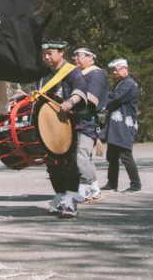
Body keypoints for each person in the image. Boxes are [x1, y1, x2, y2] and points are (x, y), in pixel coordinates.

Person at [35, 38, 88, 219]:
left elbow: (80, 90)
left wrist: (71, 101)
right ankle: (59, 195)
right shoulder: (43, 73)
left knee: (69, 162)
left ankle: (71, 199)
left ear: (61, 53)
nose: (47, 57)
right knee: (51, 163)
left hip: (69, 124)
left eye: (50, 53)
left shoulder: (72, 71)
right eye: (44, 54)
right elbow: (36, 93)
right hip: (48, 126)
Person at [102, 59, 142, 193]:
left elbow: (115, 97)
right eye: (113, 70)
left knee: (125, 155)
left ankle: (136, 184)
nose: (114, 73)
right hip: (116, 124)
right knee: (112, 156)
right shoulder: (121, 83)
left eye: (117, 70)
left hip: (124, 124)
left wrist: (97, 96)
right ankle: (112, 183)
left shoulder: (129, 83)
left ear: (126, 68)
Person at [73, 46, 108, 202]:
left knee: (81, 157)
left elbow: (91, 101)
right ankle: (94, 190)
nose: (75, 58)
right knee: (84, 157)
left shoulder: (96, 74)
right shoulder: (83, 73)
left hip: (86, 119)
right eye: (74, 55)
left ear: (90, 58)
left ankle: (84, 191)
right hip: (82, 119)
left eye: (78, 55)